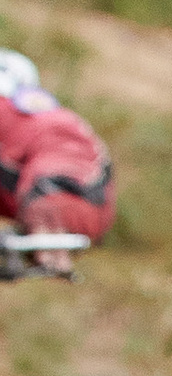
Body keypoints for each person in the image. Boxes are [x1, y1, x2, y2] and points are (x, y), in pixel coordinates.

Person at [0, 50, 116, 262]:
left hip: (65, 199)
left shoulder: (45, 123)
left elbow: (66, 161)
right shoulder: (49, 121)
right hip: (82, 206)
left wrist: (48, 201)